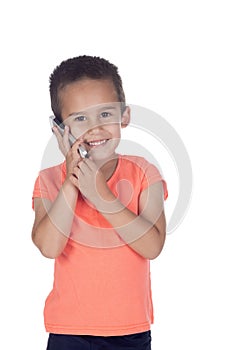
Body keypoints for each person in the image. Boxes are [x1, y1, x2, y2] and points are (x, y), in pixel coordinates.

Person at [31, 55, 168, 350]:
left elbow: (153, 246)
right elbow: (48, 247)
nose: (95, 129)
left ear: (125, 116)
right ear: (59, 128)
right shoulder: (49, 180)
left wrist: (99, 195)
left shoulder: (145, 172)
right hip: (69, 331)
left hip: (130, 331)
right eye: (80, 118)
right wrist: (72, 181)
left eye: (105, 114)